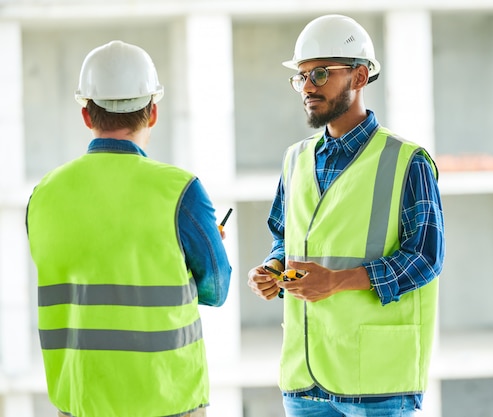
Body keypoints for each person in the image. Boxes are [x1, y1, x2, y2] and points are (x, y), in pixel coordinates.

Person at [247, 14, 445, 417]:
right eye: (300, 76)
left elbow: (425, 258)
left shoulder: (406, 161)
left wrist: (338, 281)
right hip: (305, 380)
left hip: (376, 383)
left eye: (319, 74)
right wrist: (272, 269)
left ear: (358, 78)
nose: (306, 87)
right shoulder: (295, 159)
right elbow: (286, 236)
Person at [26, 40, 231, 417]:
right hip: (168, 399)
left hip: (81, 401)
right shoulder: (181, 191)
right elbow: (216, 291)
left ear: (87, 115)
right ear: (152, 113)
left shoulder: (44, 194)